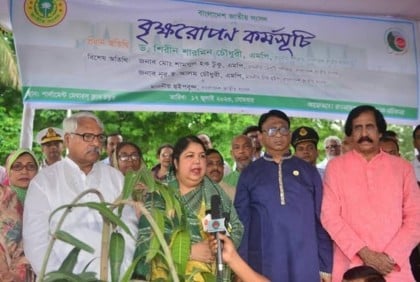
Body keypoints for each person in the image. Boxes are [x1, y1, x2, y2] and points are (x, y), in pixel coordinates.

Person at [23, 112, 137, 277]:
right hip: (63, 277)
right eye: (88, 136)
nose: (96, 142)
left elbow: (129, 230)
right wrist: (60, 279)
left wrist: (118, 273)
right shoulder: (44, 182)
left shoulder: (116, 178)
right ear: (68, 139)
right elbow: (36, 242)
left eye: (99, 137)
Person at [321, 105, 420, 282]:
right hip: (350, 268)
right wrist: (366, 254)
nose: (364, 133)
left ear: (380, 132)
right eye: (358, 128)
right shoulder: (335, 168)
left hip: (394, 268)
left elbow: (416, 218)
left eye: (370, 127)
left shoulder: (402, 168)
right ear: (351, 134)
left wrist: (390, 257)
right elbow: (329, 216)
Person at [234, 109, 332, 282]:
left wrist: (325, 264)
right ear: (261, 136)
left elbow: (322, 219)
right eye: (272, 130)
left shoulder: (308, 171)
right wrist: (242, 266)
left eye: (283, 129)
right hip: (264, 260)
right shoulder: (250, 174)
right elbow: (242, 223)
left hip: (306, 260)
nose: (278, 135)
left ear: (290, 134)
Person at [133, 135, 243, 281]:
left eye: (202, 156)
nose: (197, 161)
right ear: (176, 163)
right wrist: (187, 251)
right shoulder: (159, 197)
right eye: (190, 156)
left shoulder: (216, 195)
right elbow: (146, 246)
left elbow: (235, 228)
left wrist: (219, 247)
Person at [0, 148, 39, 281]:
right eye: (17, 167)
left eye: (30, 166)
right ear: (8, 172)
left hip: (38, 271)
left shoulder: (45, 201)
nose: (24, 171)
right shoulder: (2, 196)